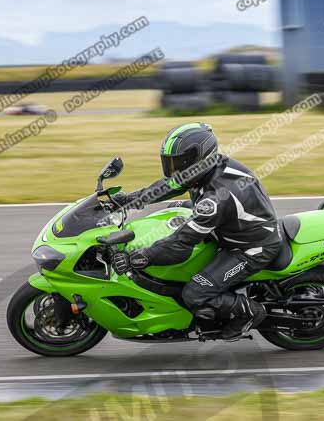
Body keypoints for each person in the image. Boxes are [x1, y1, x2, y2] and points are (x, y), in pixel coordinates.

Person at [111, 122, 281, 339]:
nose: (173, 170)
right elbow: (168, 186)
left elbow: (181, 244)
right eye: (170, 163)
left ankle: (250, 313)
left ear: (197, 161)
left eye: (178, 163)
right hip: (229, 229)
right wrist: (127, 200)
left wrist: (141, 257)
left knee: (194, 292)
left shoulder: (216, 199)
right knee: (174, 211)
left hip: (251, 248)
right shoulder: (210, 168)